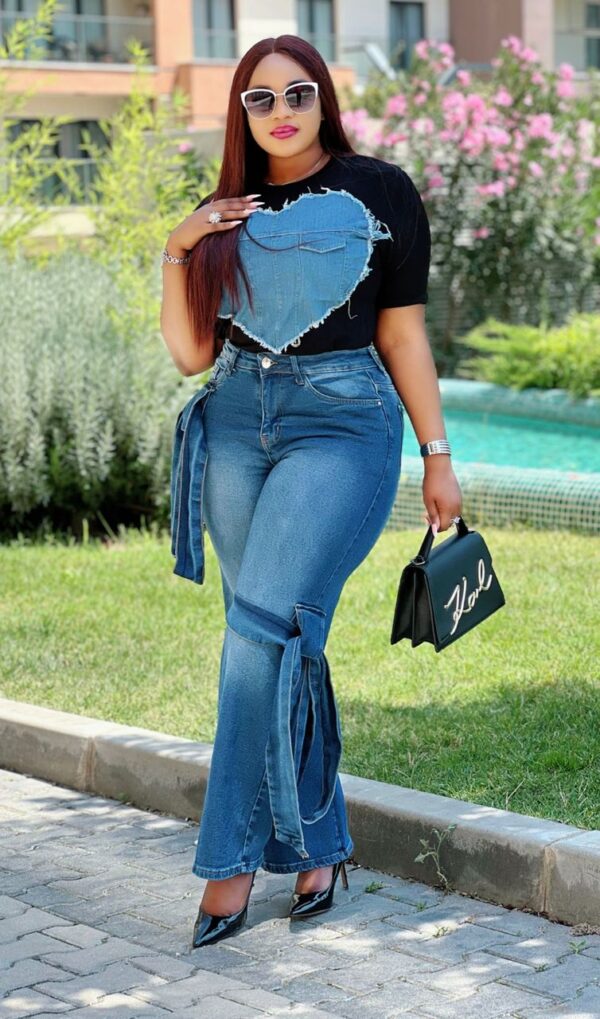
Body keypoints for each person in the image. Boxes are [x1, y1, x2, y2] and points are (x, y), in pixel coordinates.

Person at [160, 34, 462, 950]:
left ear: (323, 97)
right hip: (233, 421)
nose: (282, 111)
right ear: (241, 114)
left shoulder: (382, 191)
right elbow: (191, 354)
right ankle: (320, 847)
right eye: (261, 99)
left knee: (257, 633)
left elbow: (402, 335)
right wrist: (178, 246)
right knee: (281, 637)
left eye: (298, 93)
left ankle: (227, 864)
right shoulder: (225, 212)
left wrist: (437, 453)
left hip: (341, 422)